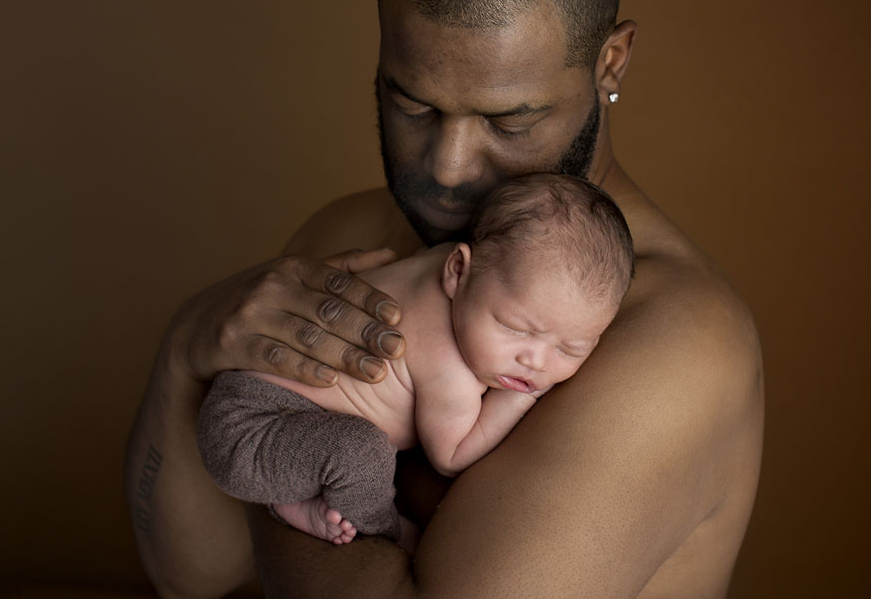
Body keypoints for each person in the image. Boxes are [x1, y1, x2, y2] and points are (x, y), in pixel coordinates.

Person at [124, 0, 764, 597]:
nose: (450, 167)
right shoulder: (349, 238)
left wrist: (307, 450)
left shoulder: (675, 343)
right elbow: (190, 576)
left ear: (609, 63)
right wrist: (189, 347)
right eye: (413, 104)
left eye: (508, 119)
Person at [196, 173, 635, 547]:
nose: (534, 361)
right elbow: (452, 454)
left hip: (263, 425)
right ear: (458, 270)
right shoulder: (449, 367)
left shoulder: (434, 262)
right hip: (249, 429)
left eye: (570, 349)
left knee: (340, 449)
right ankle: (382, 528)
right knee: (364, 454)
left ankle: (294, 504)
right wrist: (519, 400)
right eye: (516, 328)